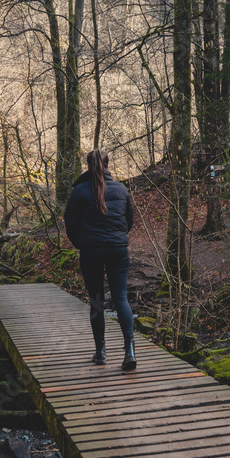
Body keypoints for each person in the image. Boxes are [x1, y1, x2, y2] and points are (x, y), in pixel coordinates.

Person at [63, 149, 136, 370]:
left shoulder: (79, 192)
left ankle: (101, 352)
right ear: (107, 165)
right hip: (118, 250)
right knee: (121, 298)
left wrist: (82, 243)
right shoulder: (122, 189)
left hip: (91, 251)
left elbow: (70, 223)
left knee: (96, 301)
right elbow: (128, 221)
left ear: (87, 167)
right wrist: (117, 239)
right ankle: (129, 351)